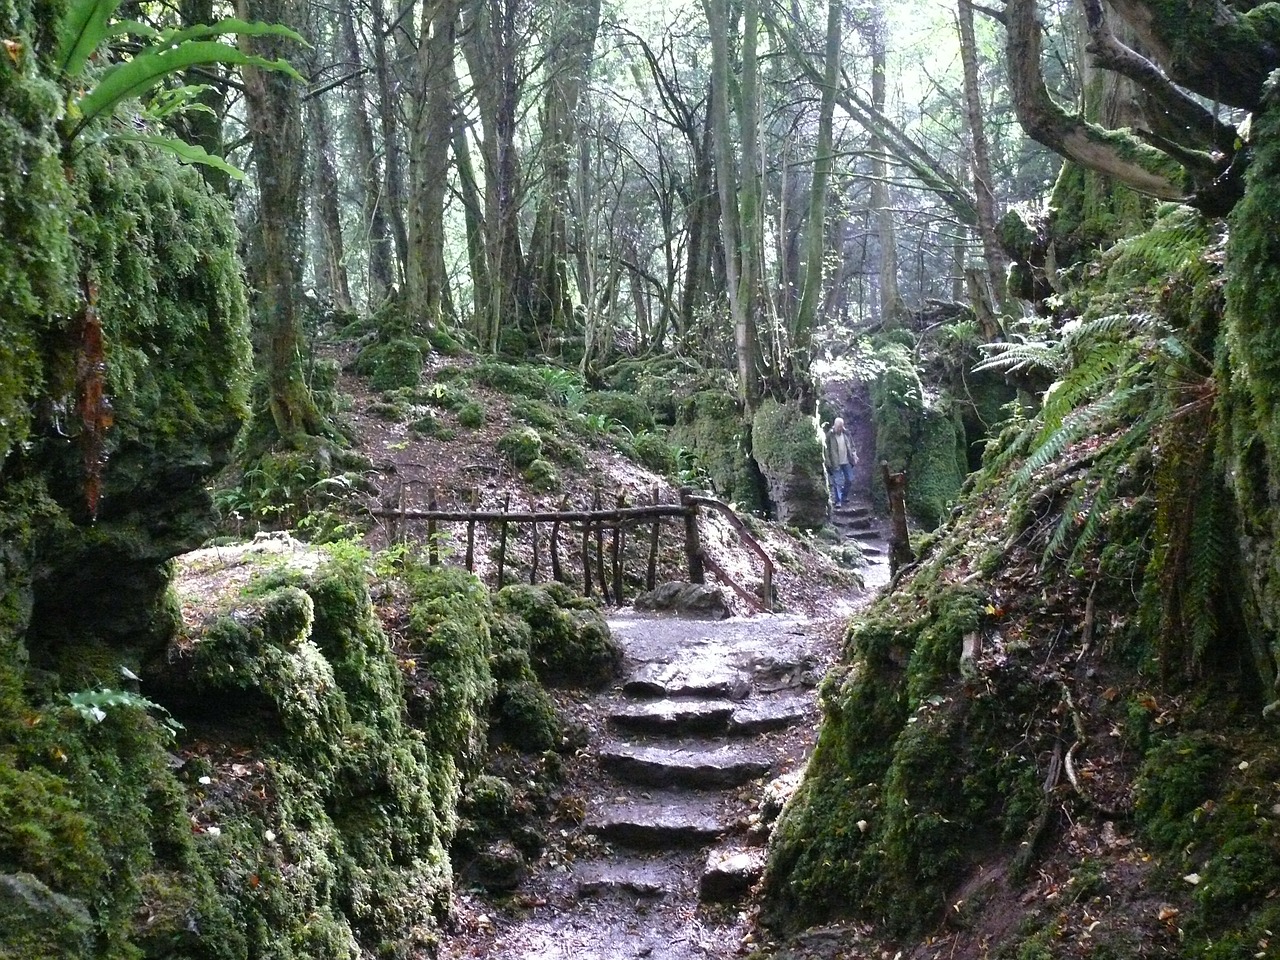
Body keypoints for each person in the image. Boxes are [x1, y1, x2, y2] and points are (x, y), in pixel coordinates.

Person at [824, 417, 857, 507]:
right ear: (834, 426)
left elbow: (852, 445)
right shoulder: (830, 435)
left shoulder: (846, 433)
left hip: (847, 461)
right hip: (835, 462)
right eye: (838, 427)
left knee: (849, 479)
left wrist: (854, 455)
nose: (840, 428)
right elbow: (826, 449)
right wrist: (828, 461)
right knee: (838, 482)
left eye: (841, 426)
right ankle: (838, 501)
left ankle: (844, 497)